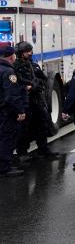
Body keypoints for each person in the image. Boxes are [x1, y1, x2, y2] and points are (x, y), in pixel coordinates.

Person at [14, 41, 54, 160]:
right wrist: (29, 86)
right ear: (21, 53)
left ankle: (43, 150)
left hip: (37, 100)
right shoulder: (16, 67)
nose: (31, 53)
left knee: (42, 125)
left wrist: (35, 85)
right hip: (26, 102)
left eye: (31, 50)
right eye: (28, 51)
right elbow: (17, 84)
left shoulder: (34, 65)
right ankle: (22, 152)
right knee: (24, 128)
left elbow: (44, 80)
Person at [0, 46, 27, 178]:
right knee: (7, 138)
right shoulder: (8, 72)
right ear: (11, 56)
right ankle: (5, 168)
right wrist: (20, 111)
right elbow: (12, 96)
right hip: (6, 112)